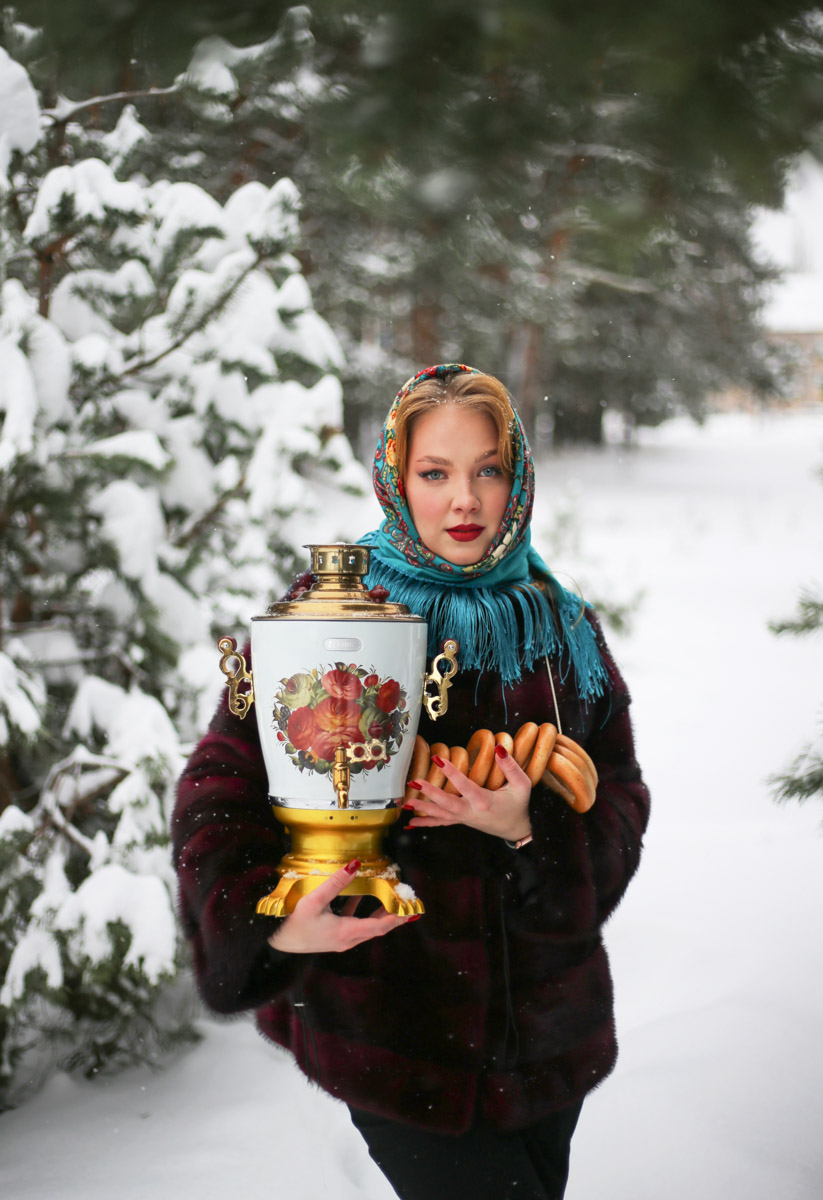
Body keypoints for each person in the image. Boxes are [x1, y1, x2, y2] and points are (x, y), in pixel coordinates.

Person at [172, 363, 650, 1200]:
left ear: (518, 479)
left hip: (547, 1041)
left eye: (486, 470)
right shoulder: (333, 613)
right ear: (398, 479)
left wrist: (526, 829)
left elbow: (619, 800)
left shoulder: (561, 630)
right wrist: (269, 929)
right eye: (434, 473)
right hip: (393, 1034)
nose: (462, 501)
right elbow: (219, 787)